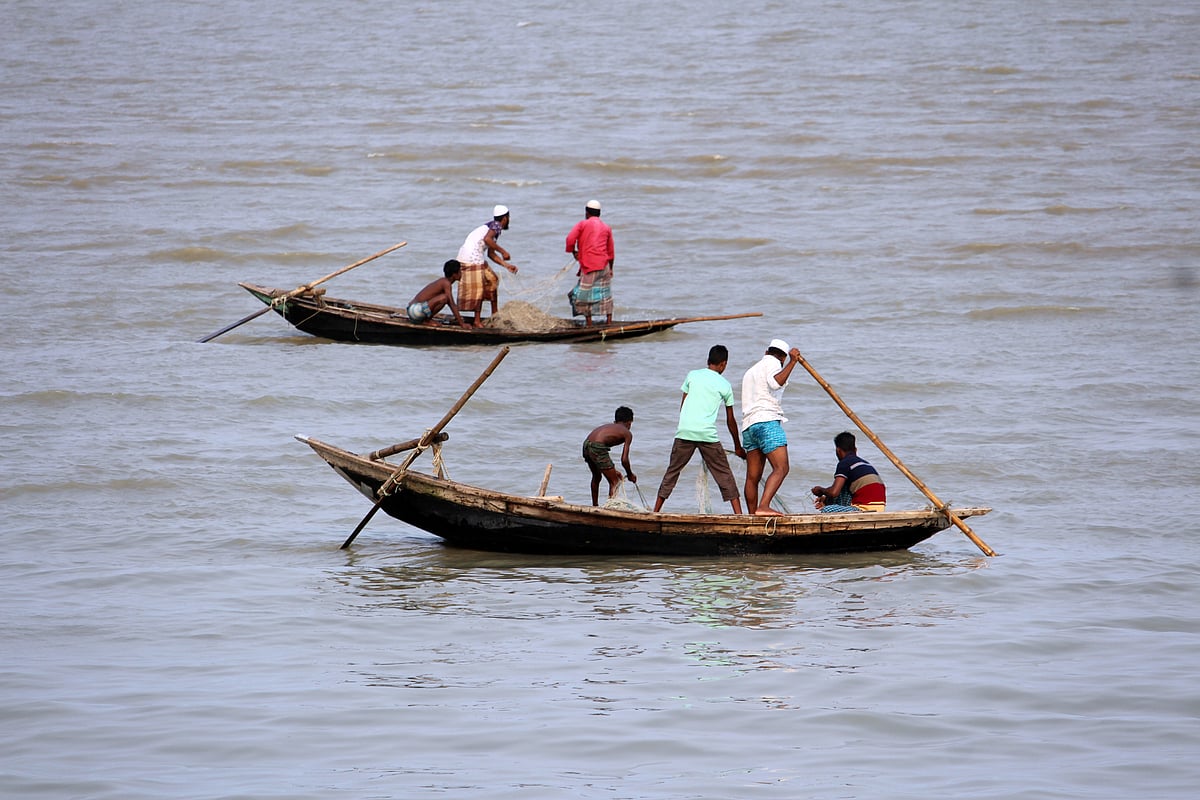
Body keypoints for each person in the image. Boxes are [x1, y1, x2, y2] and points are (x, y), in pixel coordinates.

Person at [654, 345, 746, 514]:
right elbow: (730, 420)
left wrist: (686, 425)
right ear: (724, 364)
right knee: (724, 475)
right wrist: (738, 447)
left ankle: (656, 511)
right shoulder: (725, 385)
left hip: (684, 431)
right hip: (707, 435)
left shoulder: (692, 375)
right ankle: (739, 515)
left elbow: (683, 403)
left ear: (708, 361)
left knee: (672, 472)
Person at [740, 338, 803, 515]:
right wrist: (793, 362)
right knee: (782, 468)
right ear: (782, 357)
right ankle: (763, 506)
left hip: (749, 426)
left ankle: (752, 515)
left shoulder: (751, 371)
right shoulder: (774, 363)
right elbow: (775, 382)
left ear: (766, 351)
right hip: (766, 421)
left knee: (752, 477)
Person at [456, 205, 518, 327]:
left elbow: (491, 253)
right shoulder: (496, 225)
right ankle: (477, 321)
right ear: (505, 219)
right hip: (471, 257)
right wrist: (503, 252)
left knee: (492, 279)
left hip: (473, 256)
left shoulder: (494, 228)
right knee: (479, 289)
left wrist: (506, 265)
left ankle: (495, 315)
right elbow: (487, 240)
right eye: (508, 218)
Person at [565, 199, 615, 326]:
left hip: (589, 267)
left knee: (583, 296)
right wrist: (611, 269)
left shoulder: (582, 224)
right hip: (604, 266)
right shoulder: (606, 227)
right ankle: (609, 321)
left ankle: (589, 323)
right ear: (599, 213)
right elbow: (610, 251)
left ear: (586, 212)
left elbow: (570, 239)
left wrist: (573, 252)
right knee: (605, 294)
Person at [811, 431, 887, 512]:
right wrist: (826, 500)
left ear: (838, 451)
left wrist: (821, 490)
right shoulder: (865, 464)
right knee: (844, 485)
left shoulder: (844, 463)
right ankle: (826, 501)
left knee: (826, 510)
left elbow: (834, 492)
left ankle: (827, 504)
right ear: (855, 450)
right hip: (880, 508)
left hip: (865, 508)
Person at [582, 406, 637, 506]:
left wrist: (613, 471)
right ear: (629, 423)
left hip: (586, 444)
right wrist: (630, 474)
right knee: (614, 481)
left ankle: (595, 506)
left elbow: (599, 459)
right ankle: (610, 508)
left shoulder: (610, 427)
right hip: (597, 447)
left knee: (596, 476)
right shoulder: (627, 433)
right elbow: (624, 460)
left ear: (615, 421)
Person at [406, 259, 469, 328]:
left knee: (444, 298)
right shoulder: (446, 283)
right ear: (454, 274)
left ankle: (426, 319)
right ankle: (427, 320)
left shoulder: (443, 281)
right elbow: (452, 304)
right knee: (444, 298)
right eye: (460, 271)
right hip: (416, 311)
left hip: (413, 310)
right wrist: (462, 323)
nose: (461, 273)